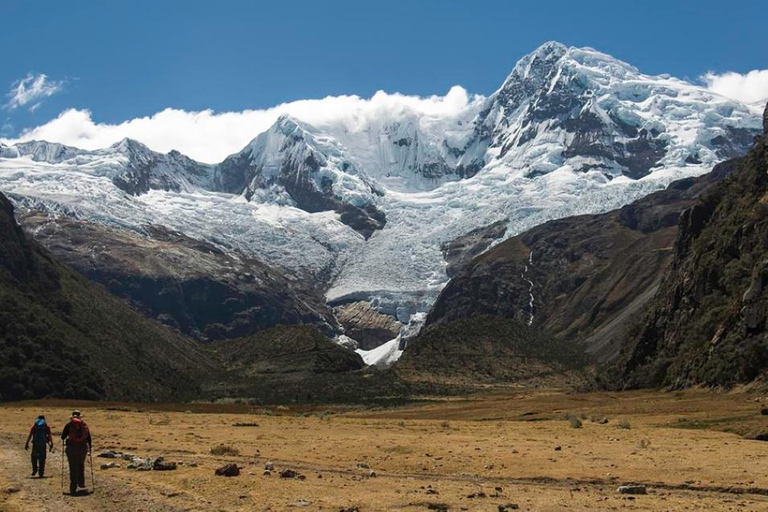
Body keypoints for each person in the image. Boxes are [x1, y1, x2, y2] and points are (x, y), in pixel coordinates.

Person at [61, 410, 92, 495]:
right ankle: (81, 483)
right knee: (81, 464)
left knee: (73, 467)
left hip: (71, 448)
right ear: (80, 416)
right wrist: (90, 448)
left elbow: (62, 437)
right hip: (82, 449)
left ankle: (73, 488)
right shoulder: (84, 425)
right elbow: (89, 438)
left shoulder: (69, 425)